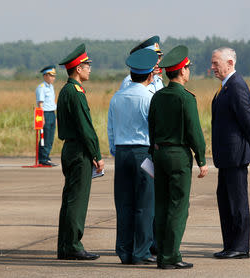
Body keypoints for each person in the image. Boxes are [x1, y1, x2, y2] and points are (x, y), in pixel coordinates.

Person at [148, 45, 208, 269]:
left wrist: (153, 153)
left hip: (159, 153)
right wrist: (201, 159)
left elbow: (151, 128)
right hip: (178, 156)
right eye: (188, 68)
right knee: (178, 207)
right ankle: (171, 256)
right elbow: (194, 132)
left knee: (161, 205)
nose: (189, 72)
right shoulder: (186, 98)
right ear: (182, 71)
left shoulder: (158, 96)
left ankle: (162, 253)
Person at [107, 49, 158, 265]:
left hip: (121, 153)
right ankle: (141, 251)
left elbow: (110, 128)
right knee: (145, 204)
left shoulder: (117, 97)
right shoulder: (149, 97)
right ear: (149, 75)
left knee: (124, 203)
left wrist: (115, 150)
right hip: (143, 153)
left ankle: (124, 250)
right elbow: (154, 129)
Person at [211, 47, 250, 259]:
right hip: (226, 156)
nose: (212, 67)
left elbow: (246, 119)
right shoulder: (225, 86)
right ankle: (230, 244)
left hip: (236, 154)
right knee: (225, 199)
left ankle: (240, 247)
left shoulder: (237, 85)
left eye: (216, 63)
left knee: (237, 202)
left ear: (230, 63)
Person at [56, 44, 104, 260]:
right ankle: (73, 245)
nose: (89, 69)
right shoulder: (75, 93)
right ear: (77, 68)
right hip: (79, 150)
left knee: (69, 199)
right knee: (77, 199)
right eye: (87, 65)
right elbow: (86, 128)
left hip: (70, 148)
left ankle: (65, 245)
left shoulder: (66, 90)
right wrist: (97, 155)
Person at [35, 65, 58, 166]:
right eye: (50, 76)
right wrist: (42, 117)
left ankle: (47, 157)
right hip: (44, 113)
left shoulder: (51, 87)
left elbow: (52, 102)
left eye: (54, 76)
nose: (53, 78)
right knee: (45, 136)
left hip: (52, 113)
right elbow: (40, 103)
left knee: (50, 137)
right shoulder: (41, 88)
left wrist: (55, 116)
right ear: (45, 76)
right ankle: (43, 158)